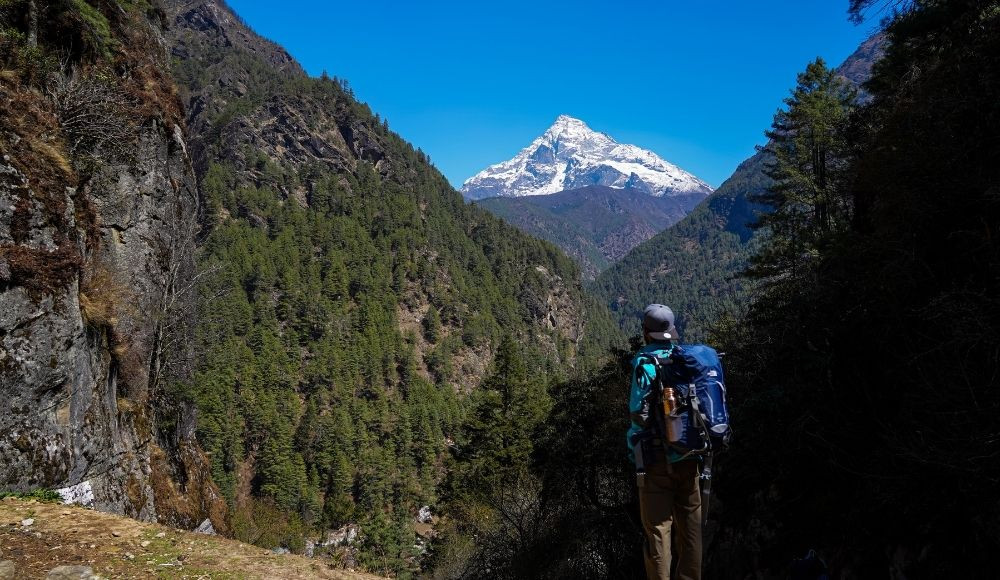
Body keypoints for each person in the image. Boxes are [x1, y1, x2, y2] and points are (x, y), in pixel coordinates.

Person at [628, 303, 701, 580]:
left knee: (659, 532)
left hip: (656, 460)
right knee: (691, 531)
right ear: (670, 331)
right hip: (691, 454)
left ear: (645, 332)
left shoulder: (645, 363)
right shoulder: (686, 359)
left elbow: (639, 415)